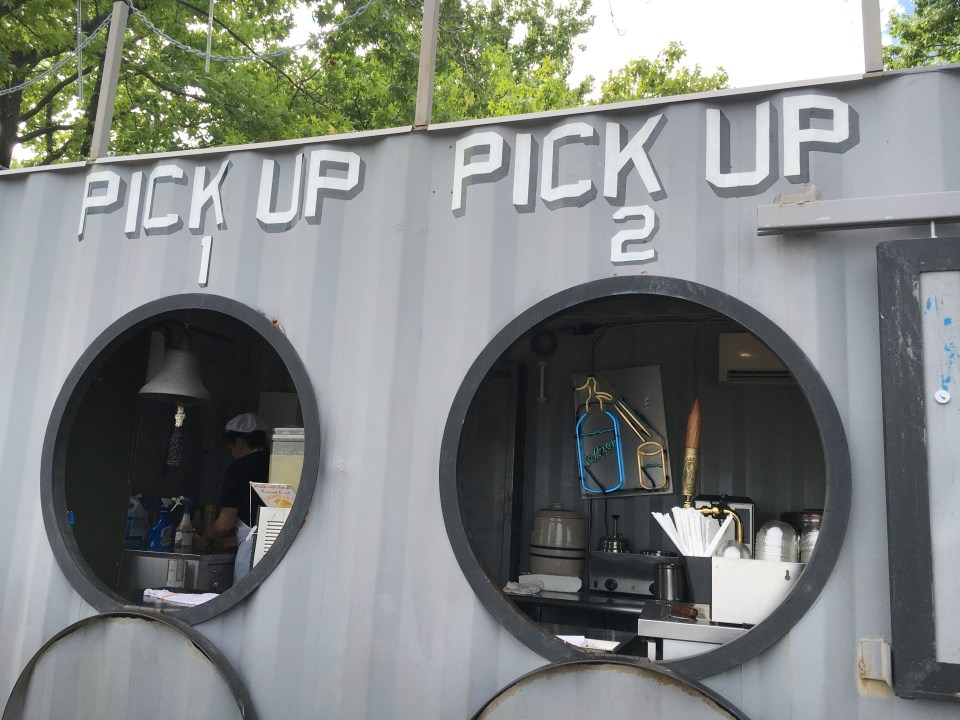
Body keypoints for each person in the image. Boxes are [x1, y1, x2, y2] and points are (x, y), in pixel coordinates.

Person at [198, 412, 270, 551]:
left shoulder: (238, 468)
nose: (231, 452)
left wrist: (205, 538)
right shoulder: (273, 463)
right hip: (274, 545)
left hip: (250, 550)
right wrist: (229, 542)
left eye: (230, 448)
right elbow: (256, 525)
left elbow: (225, 523)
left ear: (239, 443)